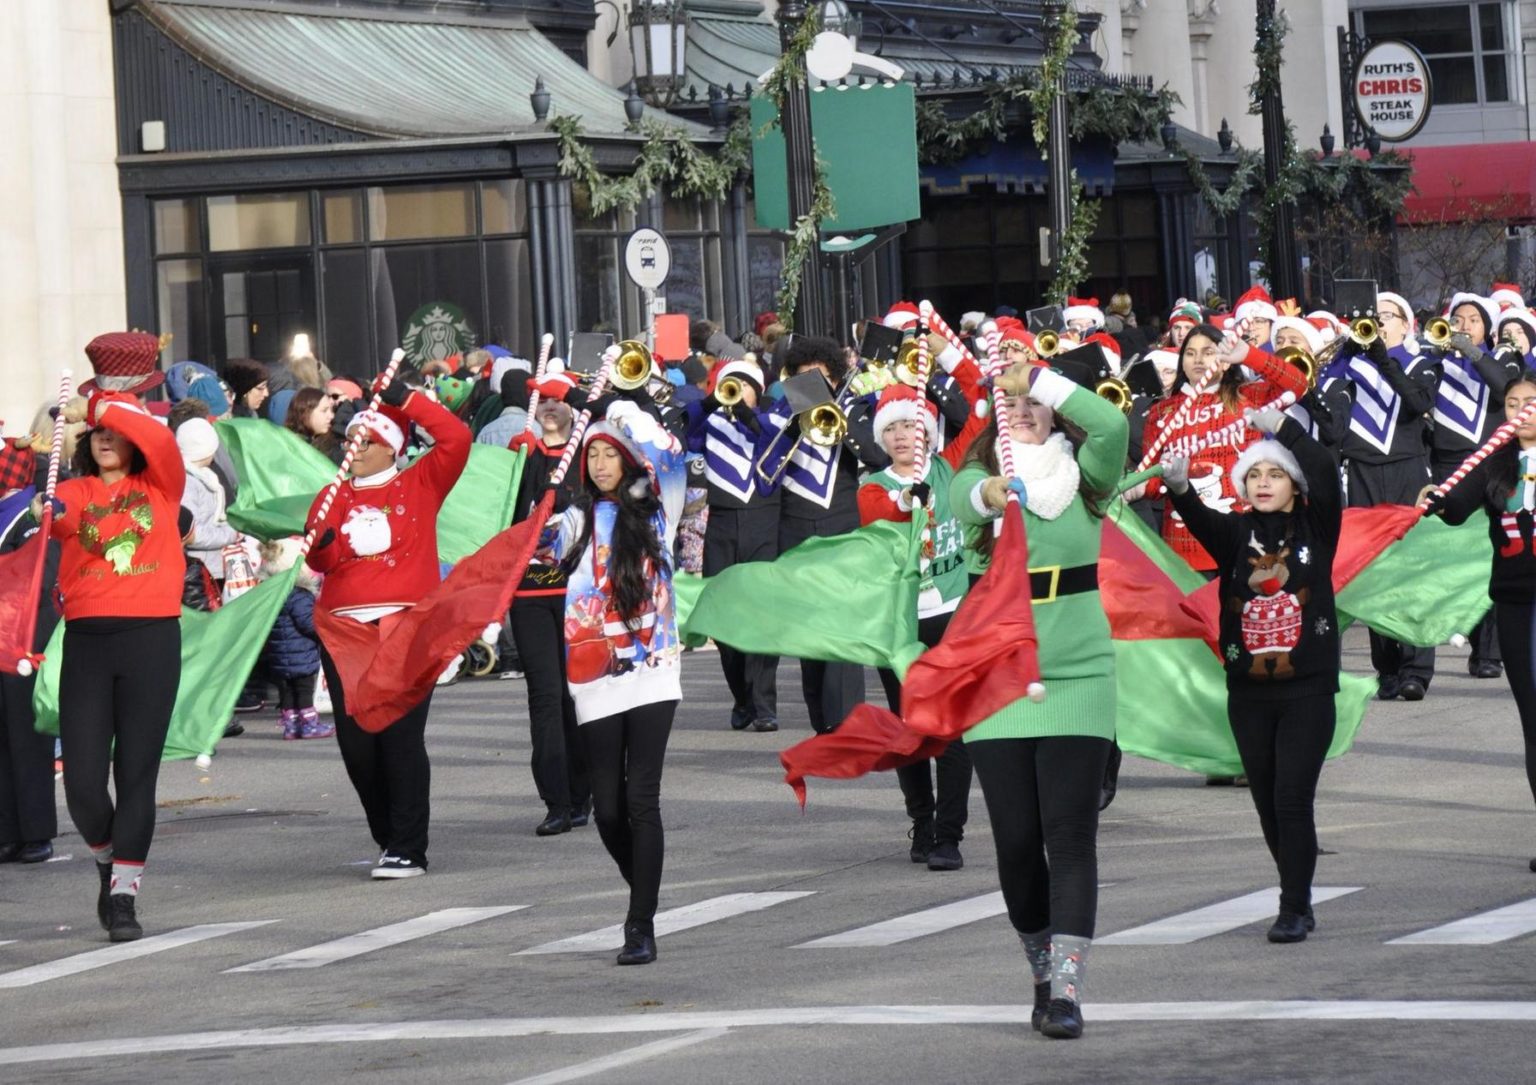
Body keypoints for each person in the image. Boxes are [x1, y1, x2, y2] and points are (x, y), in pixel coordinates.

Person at [950, 358, 1128, 1040]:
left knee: (1070, 835)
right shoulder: (979, 478)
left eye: (1033, 404)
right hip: (996, 674)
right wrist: (994, 494)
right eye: (1009, 403)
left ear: (1055, 413)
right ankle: (1037, 965)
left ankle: (1067, 989)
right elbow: (960, 499)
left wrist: (1039, 376)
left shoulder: (1086, 481)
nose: (1021, 410)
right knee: (1018, 842)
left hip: (1080, 672)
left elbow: (1110, 421)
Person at [1161, 403, 1343, 943]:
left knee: (1292, 798)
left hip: (1307, 687)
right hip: (1248, 691)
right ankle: (1296, 893)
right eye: (1255, 474)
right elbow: (1195, 515)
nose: (1264, 483)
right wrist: (1178, 488)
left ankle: (1294, 906)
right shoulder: (1235, 534)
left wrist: (1283, 428)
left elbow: (1328, 472)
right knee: (1266, 800)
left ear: (1294, 483)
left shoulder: (1317, 524)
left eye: (1276, 473)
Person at [47, 340, 187, 941]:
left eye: (115, 428)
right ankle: (107, 863)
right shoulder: (74, 492)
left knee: (136, 777)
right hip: (88, 643)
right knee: (81, 783)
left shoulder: (164, 486)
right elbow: (48, 522)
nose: (104, 437)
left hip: (150, 641)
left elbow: (156, 440)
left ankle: (125, 897)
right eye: (96, 431)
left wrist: (104, 401)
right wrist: (34, 512)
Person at [304, 379, 471, 879]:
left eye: (369, 440)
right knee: (357, 745)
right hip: (343, 632)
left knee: (399, 736)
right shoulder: (331, 493)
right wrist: (329, 544)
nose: (356, 448)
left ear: (392, 448)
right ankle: (388, 835)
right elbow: (319, 558)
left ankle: (408, 845)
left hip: (404, 625)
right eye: (352, 438)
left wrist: (405, 398)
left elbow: (457, 439)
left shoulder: (421, 483)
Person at [553, 396, 686, 965]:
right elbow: (534, 554)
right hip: (596, 673)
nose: (602, 463)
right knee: (606, 806)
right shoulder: (576, 520)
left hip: (654, 669)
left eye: (612, 454)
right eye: (595, 455)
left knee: (641, 798)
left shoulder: (659, 513)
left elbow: (674, 462)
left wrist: (629, 414)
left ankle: (641, 924)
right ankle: (645, 891)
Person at [859, 361, 985, 872]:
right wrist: (906, 499)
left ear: (928, 431)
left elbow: (982, 402)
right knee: (910, 731)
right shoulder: (872, 485)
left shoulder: (952, 465)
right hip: (901, 626)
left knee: (952, 728)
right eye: (890, 428)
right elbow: (880, 515)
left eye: (909, 425)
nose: (901, 436)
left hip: (952, 614)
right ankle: (923, 820)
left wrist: (945, 351)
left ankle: (950, 834)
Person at [1424, 371, 1536, 870]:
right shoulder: (1496, 461)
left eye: (1531, 401)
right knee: (1534, 723)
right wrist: (1435, 499)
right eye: (1512, 403)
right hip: (1516, 601)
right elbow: (1455, 506)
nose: (1521, 410)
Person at [756, 336, 889, 733]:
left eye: (820, 377)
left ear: (835, 378)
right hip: (795, 536)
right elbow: (763, 481)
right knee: (811, 639)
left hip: (844, 531)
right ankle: (823, 721)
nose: (812, 384)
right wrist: (792, 422)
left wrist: (842, 417)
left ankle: (849, 723)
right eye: (803, 378)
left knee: (844, 631)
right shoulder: (776, 418)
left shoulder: (854, 410)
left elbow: (877, 457)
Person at [1321, 291, 1439, 700]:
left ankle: (1417, 668)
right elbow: (1332, 424)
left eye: (1388, 316)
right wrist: (1348, 353)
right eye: (1375, 317)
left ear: (1406, 324)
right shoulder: (1345, 366)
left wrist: (1380, 358)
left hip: (1407, 470)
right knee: (1371, 571)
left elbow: (1417, 403)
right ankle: (1387, 666)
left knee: (1411, 569)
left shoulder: (1421, 362)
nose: (1380, 322)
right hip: (1363, 472)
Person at [1139, 324, 1309, 574]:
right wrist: (1138, 486)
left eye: (1208, 352)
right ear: (1182, 363)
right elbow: (1154, 485)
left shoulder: (1248, 397)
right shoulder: (1161, 412)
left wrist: (1250, 355)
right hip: (1185, 551)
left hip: (1246, 541)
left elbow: (1297, 384)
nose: (1198, 359)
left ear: (1225, 361)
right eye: (1190, 353)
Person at [507, 368, 592, 836]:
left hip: (577, 592)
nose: (551, 407)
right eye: (543, 400)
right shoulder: (521, 455)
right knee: (543, 696)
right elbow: (501, 517)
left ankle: (583, 792)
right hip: (529, 593)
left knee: (573, 695)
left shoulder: (587, 457)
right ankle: (556, 801)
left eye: (560, 399)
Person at [684, 358, 783, 733]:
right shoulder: (710, 424)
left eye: (743, 385)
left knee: (763, 617)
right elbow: (683, 425)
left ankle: (764, 705)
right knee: (724, 621)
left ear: (757, 392)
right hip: (722, 524)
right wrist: (712, 403)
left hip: (763, 522)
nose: (736, 392)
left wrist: (745, 413)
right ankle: (741, 697)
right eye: (730, 385)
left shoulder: (771, 422)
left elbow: (772, 443)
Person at [1433, 293, 1524, 680]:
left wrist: (1470, 350)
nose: (1464, 325)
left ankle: (1487, 653)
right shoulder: (1435, 362)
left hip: (1491, 464)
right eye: (1458, 319)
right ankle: (1465, 634)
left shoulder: (1500, 356)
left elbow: (1505, 385)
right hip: (1447, 466)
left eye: (1473, 319)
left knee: (1487, 558)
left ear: (1486, 328)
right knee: (1451, 564)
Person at [0, 437, 57, 865]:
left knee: (26, 736)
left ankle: (35, 830)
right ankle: (6, 829)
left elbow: (42, 576)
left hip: (23, 636)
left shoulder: (33, 515)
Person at [258, 538, 329, 741]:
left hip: (279, 654)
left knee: (287, 691)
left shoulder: (271, 593)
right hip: (301, 653)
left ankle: (291, 725)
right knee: (305, 690)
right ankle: (309, 724)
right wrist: (323, 632)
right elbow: (307, 623)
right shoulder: (298, 594)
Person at [176, 418, 239, 583]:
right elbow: (192, 533)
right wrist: (232, 533)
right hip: (200, 572)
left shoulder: (205, 475)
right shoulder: (188, 482)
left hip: (212, 566)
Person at [284, 387, 341, 462]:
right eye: (324, 410)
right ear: (305, 413)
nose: (331, 416)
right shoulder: (284, 444)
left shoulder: (332, 448)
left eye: (331, 410)